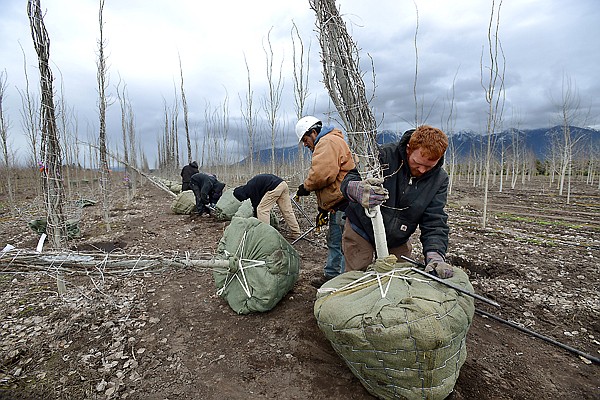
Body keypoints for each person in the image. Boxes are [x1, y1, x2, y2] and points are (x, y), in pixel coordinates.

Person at [340, 125, 454, 279]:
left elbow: (435, 220)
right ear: (408, 149)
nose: (422, 170)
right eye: (417, 163)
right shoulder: (383, 156)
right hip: (361, 229)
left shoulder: (439, 180)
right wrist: (358, 190)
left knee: (399, 280)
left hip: (398, 237)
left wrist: (435, 256)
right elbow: (348, 180)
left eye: (429, 166)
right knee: (356, 279)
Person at [294, 116, 356, 287]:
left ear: (313, 132)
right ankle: (332, 276)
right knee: (335, 242)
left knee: (344, 245)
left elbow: (323, 174)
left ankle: (343, 284)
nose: (306, 144)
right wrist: (323, 208)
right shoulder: (329, 141)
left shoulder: (327, 142)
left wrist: (306, 187)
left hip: (344, 205)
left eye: (305, 140)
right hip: (337, 206)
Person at [233, 173, 302, 239]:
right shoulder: (251, 185)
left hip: (274, 187)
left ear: (241, 195)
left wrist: (256, 217)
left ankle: (265, 235)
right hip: (283, 184)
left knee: (262, 210)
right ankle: (296, 233)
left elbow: (256, 205)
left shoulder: (251, 188)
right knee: (287, 211)